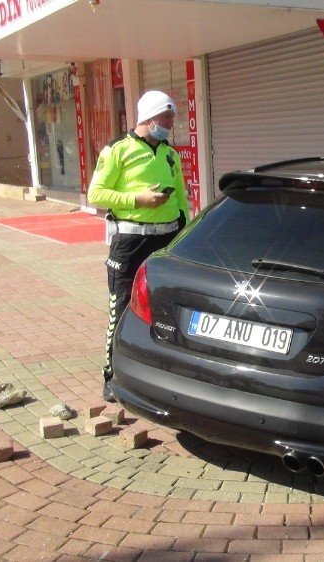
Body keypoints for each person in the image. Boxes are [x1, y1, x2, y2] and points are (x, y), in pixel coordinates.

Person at [87, 90, 189, 402]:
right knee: (121, 307)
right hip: (130, 241)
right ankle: (111, 374)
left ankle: (163, 373)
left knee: (167, 310)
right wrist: (137, 199)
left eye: (172, 117)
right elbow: (96, 194)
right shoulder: (118, 149)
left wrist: (186, 234)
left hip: (166, 240)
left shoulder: (171, 154)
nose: (170, 123)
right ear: (148, 118)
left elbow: (182, 198)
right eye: (166, 117)